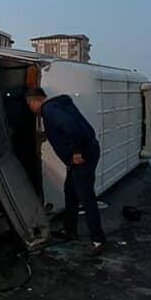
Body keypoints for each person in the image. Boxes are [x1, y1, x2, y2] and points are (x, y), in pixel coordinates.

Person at [25, 87, 106, 253]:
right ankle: (70, 231)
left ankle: (99, 240)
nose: (30, 109)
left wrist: (76, 152)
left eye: (29, 105)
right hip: (83, 154)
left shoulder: (49, 109)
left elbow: (71, 127)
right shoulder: (55, 107)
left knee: (86, 197)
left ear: (34, 100)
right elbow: (63, 127)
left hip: (82, 156)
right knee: (70, 192)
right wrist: (46, 135)